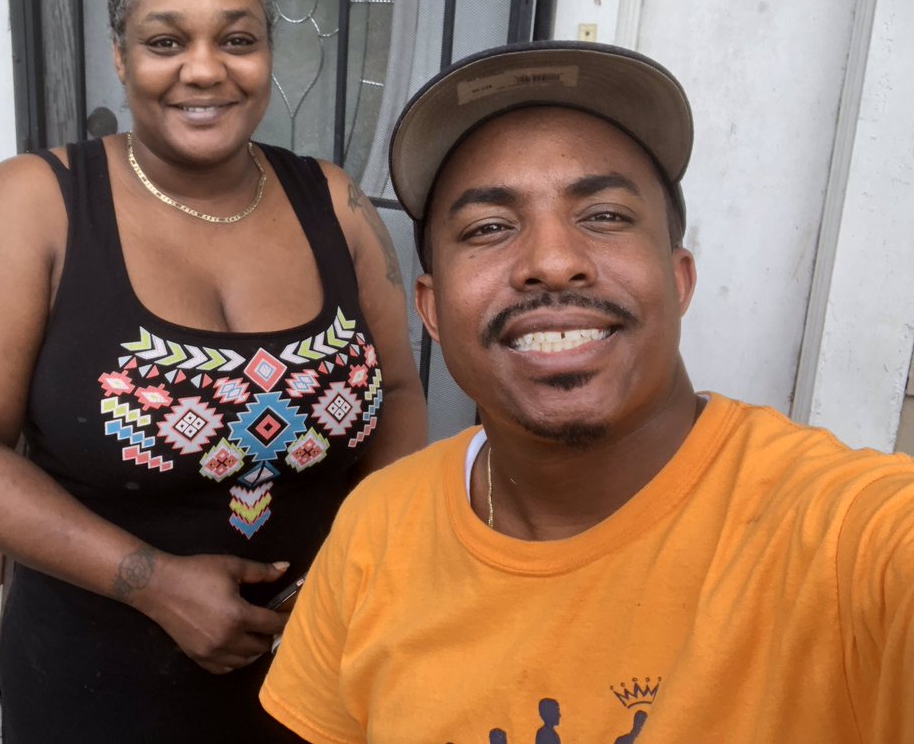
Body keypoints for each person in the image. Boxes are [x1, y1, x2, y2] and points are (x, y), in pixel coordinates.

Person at [260, 41, 914, 742]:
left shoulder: (843, 540)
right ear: (432, 310)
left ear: (679, 280)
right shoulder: (377, 528)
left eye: (603, 216)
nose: (552, 262)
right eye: (489, 227)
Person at [0, 0, 426, 742]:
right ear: (121, 57)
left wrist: (355, 558)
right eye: (166, 40)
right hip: (100, 684)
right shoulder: (35, 206)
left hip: (318, 664)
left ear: (268, 53)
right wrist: (152, 582)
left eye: (237, 39)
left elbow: (398, 389)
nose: (205, 68)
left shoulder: (334, 205)